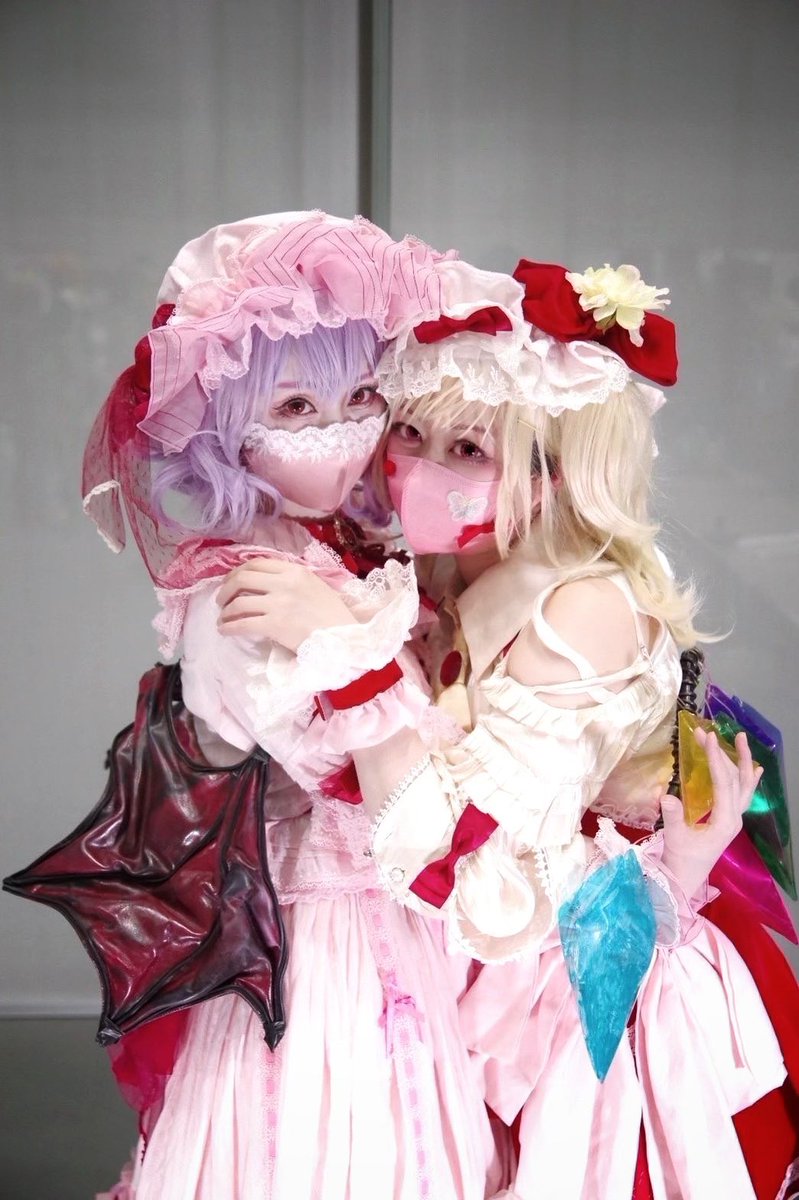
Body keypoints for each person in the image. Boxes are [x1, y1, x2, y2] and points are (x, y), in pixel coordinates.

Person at [228, 257, 798, 1198]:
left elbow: (483, 879)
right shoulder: (456, 571)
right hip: (487, 979)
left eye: (469, 449)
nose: (418, 468)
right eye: (409, 432)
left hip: (582, 993)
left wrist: (350, 658)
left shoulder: (578, 610)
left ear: (560, 474)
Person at [83, 212, 505, 1200]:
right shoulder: (241, 591)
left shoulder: (346, 555)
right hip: (312, 933)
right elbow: (386, 797)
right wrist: (357, 656)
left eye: (360, 396)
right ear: (224, 431)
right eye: (297, 406)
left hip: (393, 917)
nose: (345, 432)